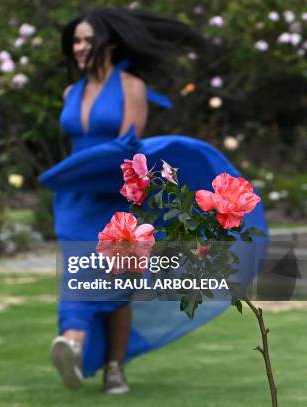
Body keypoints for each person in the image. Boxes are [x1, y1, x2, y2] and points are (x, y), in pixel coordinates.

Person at [38, 8, 268, 394]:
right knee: (80, 272)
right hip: (76, 198)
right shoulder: (70, 93)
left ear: (108, 44)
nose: (78, 48)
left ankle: (112, 366)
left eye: (86, 40)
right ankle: (74, 344)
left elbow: (130, 153)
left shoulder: (130, 86)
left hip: (116, 194)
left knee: (115, 281)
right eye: (74, 41)